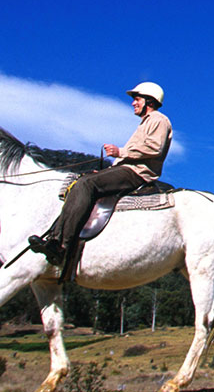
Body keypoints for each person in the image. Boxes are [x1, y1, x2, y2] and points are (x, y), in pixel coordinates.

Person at [29, 81, 172, 265]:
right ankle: (56, 236)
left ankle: (61, 246)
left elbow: (155, 148)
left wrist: (120, 152)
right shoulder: (147, 122)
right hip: (126, 169)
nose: (133, 103)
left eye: (137, 99)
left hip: (136, 173)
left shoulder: (158, 120)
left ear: (149, 101)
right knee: (83, 179)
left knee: (86, 184)